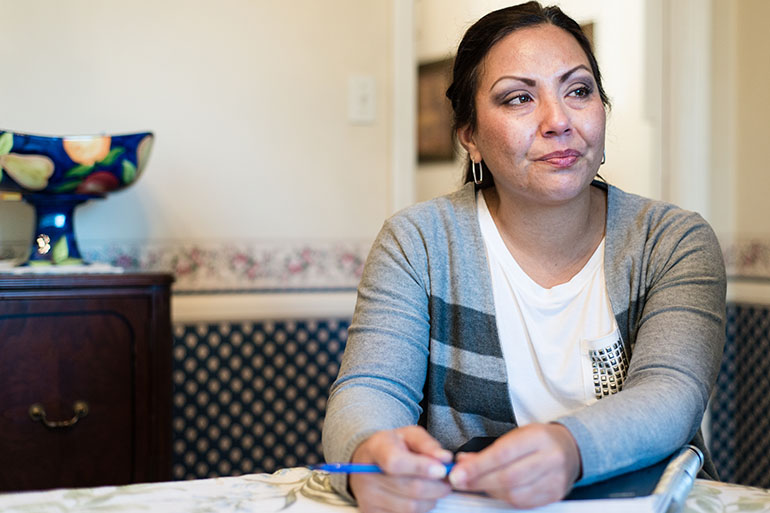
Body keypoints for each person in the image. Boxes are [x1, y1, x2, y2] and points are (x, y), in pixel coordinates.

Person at [322, 2, 726, 512]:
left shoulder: (672, 241)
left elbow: (672, 393)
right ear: (470, 137)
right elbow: (370, 389)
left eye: (578, 91)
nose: (558, 121)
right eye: (519, 98)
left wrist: (570, 448)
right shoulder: (417, 242)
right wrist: (370, 456)